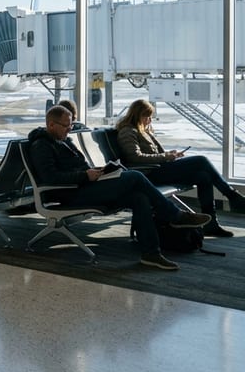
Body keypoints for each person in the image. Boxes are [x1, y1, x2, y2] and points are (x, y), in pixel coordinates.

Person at [29, 105, 210, 270]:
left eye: (70, 125)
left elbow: (78, 167)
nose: (70, 129)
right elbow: (50, 177)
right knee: (135, 176)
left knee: (140, 198)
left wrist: (98, 172)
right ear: (51, 125)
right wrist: (85, 175)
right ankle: (176, 216)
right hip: (70, 194)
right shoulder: (41, 146)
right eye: (66, 126)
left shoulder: (64, 141)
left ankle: (151, 254)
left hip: (85, 185)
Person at [115, 99, 245, 238]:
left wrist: (171, 155)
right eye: (147, 116)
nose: (150, 120)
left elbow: (153, 155)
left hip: (159, 168)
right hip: (149, 173)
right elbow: (135, 157)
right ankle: (232, 196)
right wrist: (166, 156)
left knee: (204, 177)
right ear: (137, 115)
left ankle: (211, 224)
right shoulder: (128, 131)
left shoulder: (143, 130)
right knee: (201, 160)